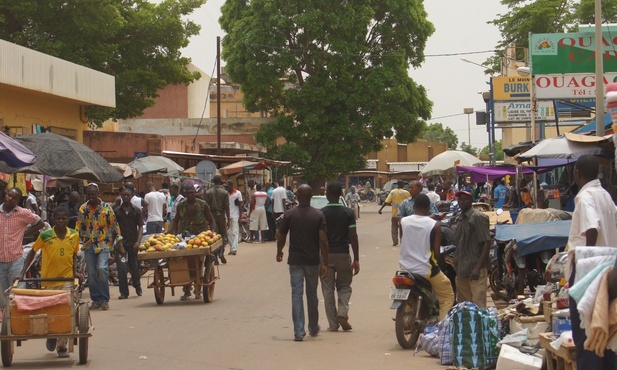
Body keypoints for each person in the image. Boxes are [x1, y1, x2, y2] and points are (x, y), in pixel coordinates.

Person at [567, 155, 617, 369]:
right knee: (605, 330)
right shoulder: (605, 195)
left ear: (577, 172)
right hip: (610, 270)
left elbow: (592, 228)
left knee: (586, 332)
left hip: (590, 272)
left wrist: (587, 263)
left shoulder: (585, 196)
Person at [21, 206, 79, 358]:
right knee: (49, 311)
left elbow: (73, 254)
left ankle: (62, 346)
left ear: (68, 220)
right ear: (53, 220)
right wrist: (21, 273)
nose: (61, 221)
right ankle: (51, 335)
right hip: (48, 280)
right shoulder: (45, 235)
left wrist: (75, 272)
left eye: (64, 219)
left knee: (65, 311)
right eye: (58, 219)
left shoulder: (74, 235)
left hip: (66, 279)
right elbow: (33, 251)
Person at [276, 184, 329, 341]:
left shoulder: (290, 214)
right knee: (312, 294)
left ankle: (298, 332)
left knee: (296, 295)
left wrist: (279, 251)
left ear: (297, 196)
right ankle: (313, 327)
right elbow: (323, 241)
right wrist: (325, 263)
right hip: (313, 261)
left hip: (295, 261)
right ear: (311, 196)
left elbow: (282, 235)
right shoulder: (318, 215)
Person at [400, 194, 454, 320]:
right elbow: (436, 252)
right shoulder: (434, 225)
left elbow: (403, 240)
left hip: (405, 268)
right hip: (426, 269)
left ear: (414, 206)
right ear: (429, 208)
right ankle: (442, 326)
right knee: (447, 295)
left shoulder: (403, 221)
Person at [321, 182, 359, 331]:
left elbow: (320, 238)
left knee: (327, 290)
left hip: (326, 256)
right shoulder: (348, 213)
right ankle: (342, 312)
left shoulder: (321, 213)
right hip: (343, 254)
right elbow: (353, 235)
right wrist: (356, 258)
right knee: (344, 286)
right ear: (341, 195)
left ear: (327, 194)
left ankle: (333, 324)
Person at [76, 183, 121, 311]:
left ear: (98, 194)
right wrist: (75, 243)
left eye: (93, 194)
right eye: (89, 194)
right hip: (89, 245)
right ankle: (96, 299)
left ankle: (105, 299)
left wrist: (119, 242)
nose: (91, 196)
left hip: (104, 243)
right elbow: (79, 227)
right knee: (91, 273)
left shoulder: (107, 208)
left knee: (102, 269)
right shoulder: (83, 209)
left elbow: (115, 226)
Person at [0, 187, 44, 307]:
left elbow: (40, 223)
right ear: (5, 193)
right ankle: (8, 323)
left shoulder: (22, 213)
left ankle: (18, 323)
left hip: (16, 261)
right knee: (4, 298)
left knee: (18, 296)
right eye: (9, 195)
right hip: (0, 262)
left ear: (18, 201)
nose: (10, 199)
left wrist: (24, 233)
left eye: (14, 198)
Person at [170, 184, 215, 300]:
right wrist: (174, 233)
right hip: (185, 238)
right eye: (187, 193)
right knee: (186, 263)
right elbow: (175, 221)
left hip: (200, 238)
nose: (190, 195)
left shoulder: (202, 204)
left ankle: (198, 289)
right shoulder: (181, 206)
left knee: (198, 263)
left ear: (194, 193)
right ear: (184, 194)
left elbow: (211, 220)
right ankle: (186, 290)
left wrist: (211, 233)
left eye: (192, 192)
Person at [453, 190, 491, 307]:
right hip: (462, 269)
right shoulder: (460, 218)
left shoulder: (478, 217)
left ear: (471, 201)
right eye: (460, 199)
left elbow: (486, 242)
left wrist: (478, 267)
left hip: (475, 269)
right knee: (465, 307)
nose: (462, 202)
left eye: (465, 199)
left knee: (478, 305)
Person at [113, 188, 143, 299]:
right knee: (122, 269)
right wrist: (119, 244)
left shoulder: (136, 211)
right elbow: (115, 229)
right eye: (124, 195)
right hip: (121, 244)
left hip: (133, 244)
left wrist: (138, 242)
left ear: (132, 196)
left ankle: (137, 285)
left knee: (135, 268)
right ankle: (123, 292)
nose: (126, 197)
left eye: (128, 195)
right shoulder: (116, 212)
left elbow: (140, 227)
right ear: (121, 196)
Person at [205, 175, 230, 264]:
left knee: (213, 236)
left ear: (213, 181)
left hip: (212, 216)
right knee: (223, 236)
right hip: (221, 215)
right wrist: (228, 220)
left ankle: (215, 256)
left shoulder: (208, 192)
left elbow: (206, 207)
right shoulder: (224, 192)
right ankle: (221, 252)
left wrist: (207, 219)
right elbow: (227, 206)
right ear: (221, 182)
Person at [378, 180, 410, 246]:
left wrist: (381, 209)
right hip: (404, 215)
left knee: (394, 228)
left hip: (395, 214)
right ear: (402, 185)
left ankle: (395, 242)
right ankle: (403, 241)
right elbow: (410, 201)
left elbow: (386, 201)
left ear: (397, 185)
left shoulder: (392, 192)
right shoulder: (406, 192)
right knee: (403, 228)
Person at [226, 180, 243, 256]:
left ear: (231, 186)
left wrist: (240, 216)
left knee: (235, 232)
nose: (226, 187)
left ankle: (234, 249)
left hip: (235, 214)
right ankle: (232, 248)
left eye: (227, 186)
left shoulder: (238, 193)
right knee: (228, 232)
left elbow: (240, 205)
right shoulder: (225, 193)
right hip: (227, 215)